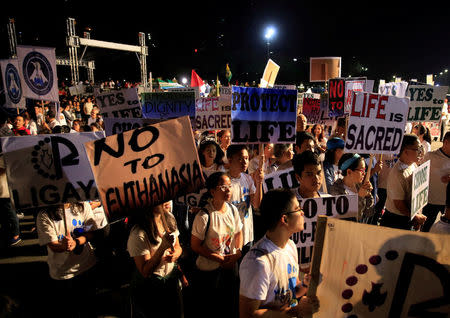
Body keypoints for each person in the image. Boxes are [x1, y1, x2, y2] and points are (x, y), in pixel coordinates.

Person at [239, 188, 320, 318]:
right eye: (298, 209)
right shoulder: (257, 262)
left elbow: (292, 292)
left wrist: (305, 285)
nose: (302, 212)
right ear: (285, 219)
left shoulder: (290, 246)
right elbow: (248, 314)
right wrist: (296, 311)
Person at [191, 172, 243, 318]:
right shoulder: (204, 216)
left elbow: (239, 232)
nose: (228, 190)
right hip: (209, 272)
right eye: (223, 187)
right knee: (212, 308)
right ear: (213, 191)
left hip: (230, 267)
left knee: (230, 306)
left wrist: (237, 252)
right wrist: (218, 258)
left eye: (229, 186)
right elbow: (195, 246)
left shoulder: (233, 210)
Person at [36, 202, 98, 318]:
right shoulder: (44, 215)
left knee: (90, 307)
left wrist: (77, 241)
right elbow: (53, 245)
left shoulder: (83, 205)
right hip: (63, 273)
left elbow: (90, 231)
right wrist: (63, 246)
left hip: (87, 265)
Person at [127, 201, 183, 318]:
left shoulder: (169, 218)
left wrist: (176, 253)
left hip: (171, 282)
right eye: (161, 199)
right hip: (151, 289)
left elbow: (178, 246)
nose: (167, 201)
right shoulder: (138, 233)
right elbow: (145, 271)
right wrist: (162, 248)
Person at [379, 134, 427, 230]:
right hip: (395, 221)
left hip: (407, 218)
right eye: (417, 149)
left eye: (420, 148)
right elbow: (399, 204)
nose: (420, 152)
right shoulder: (398, 173)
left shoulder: (413, 165)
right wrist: (415, 217)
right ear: (406, 151)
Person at [227, 145, 263, 256]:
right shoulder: (224, 181)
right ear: (230, 159)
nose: (244, 162)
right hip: (229, 236)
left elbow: (256, 204)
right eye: (240, 159)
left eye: (247, 158)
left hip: (247, 234)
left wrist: (259, 182)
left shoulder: (247, 179)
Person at [329, 153, 375, 223]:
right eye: (361, 170)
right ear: (349, 172)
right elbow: (352, 218)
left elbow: (369, 213)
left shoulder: (360, 186)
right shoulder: (336, 190)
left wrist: (368, 195)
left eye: (365, 170)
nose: (364, 173)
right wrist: (360, 197)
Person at [421, 131, 450, 231]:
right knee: (425, 228)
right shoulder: (430, 156)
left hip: (447, 203)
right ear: (446, 142)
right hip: (430, 201)